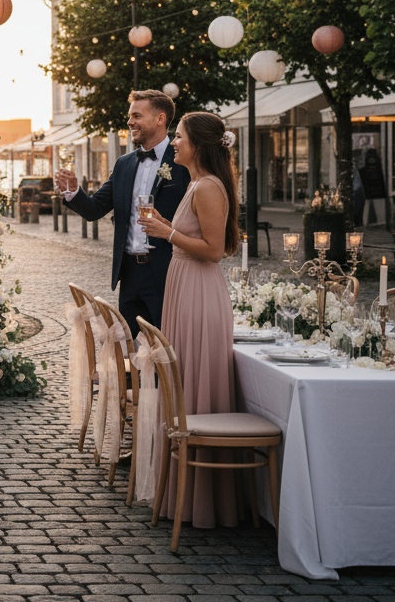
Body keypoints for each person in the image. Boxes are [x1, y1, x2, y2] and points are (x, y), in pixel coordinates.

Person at [137, 111, 241, 529]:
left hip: (200, 291)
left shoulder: (210, 187)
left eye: (178, 136)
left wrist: (167, 235)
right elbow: (193, 237)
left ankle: (203, 499)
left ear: (197, 143)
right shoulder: (196, 184)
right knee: (183, 380)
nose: (174, 142)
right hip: (185, 287)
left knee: (196, 378)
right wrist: (166, 226)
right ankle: (181, 489)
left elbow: (214, 250)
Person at [55, 89, 190, 336]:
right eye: (130, 116)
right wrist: (73, 192)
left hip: (168, 273)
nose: (129, 122)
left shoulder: (182, 161)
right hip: (129, 276)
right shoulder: (124, 164)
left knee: (167, 350)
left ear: (160, 119)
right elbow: (95, 209)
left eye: (137, 115)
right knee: (130, 351)